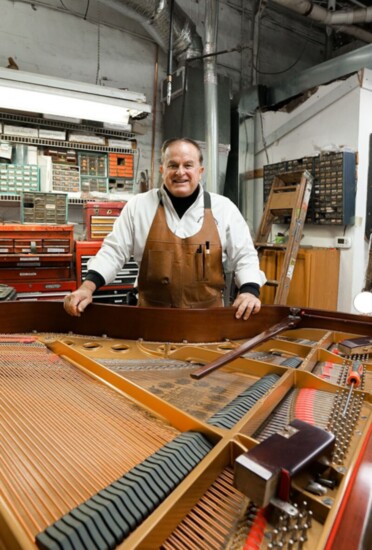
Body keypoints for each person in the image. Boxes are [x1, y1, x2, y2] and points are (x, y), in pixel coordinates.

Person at [64, 137, 266, 320]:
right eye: (172, 165)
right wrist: (87, 287)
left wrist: (249, 290)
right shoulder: (139, 206)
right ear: (162, 169)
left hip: (207, 321)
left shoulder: (224, 209)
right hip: (150, 319)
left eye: (188, 165)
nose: (180, 172)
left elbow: (245, 256)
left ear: (200, 171)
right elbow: (113, 252)